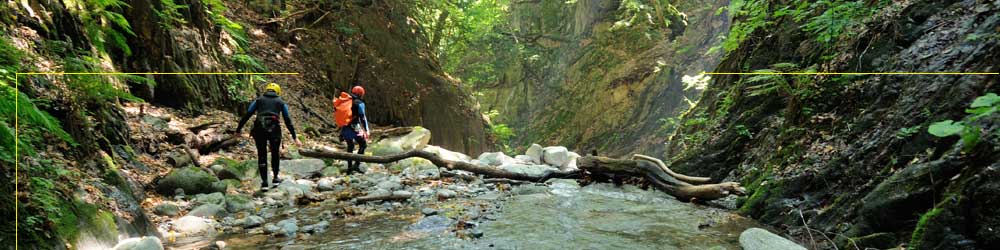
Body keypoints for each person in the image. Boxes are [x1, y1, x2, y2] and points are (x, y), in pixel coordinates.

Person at [235, 83, 301, 190]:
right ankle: (275, 179)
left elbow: (248, 114)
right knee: (275, 153)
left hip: (259, 129)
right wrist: (294, 137)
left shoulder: (258, 100)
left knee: (262, 154)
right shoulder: (281, 102)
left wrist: (238, 130)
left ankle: (264, 182)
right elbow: (287, 120)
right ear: (278, 91)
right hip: (274, 130)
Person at [335, 86, 370, 174]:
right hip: (355, 126)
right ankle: (356, 165)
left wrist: (341, 132)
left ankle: (349, 168)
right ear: (361, 94)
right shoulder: (360, 103)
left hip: (345, 126)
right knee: (363, 144)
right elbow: (362, 117)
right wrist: (366, 130)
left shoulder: (345, 101)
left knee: (350, 146)